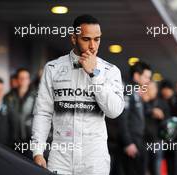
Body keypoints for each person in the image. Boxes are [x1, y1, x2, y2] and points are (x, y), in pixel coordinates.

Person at [31, 14, 124, 175]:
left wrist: (95, 74)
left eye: (97, 39)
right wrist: (37, 151)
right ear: (74, 38)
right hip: (60, 157)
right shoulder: (52, 68)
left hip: (94, 158)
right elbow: (43, 112)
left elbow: (114, 111)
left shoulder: (110, 71)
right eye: (87, 39)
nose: (93, 46)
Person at [118, 61, 152, 175]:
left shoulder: (137, 92)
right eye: (146, 77)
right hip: (131, 141)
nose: (148, 81)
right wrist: (128, 142)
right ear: (137, 76)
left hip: (139, 140)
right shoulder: (128, 91)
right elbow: (122, 118)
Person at [5, 68, 35, 157]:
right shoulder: (8, 97)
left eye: (26, 78)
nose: (23, 81)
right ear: (17, 80)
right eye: (21, 78)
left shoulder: (36, 96)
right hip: (12, 141)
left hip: (30, 141)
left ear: (29, 80)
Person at [143, 81, 170, 175]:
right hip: (143, 140)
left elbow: (167, 124)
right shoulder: (142, 102)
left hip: (157, 141)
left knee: (156, 169)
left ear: (156, 90)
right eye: (147, 88)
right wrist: (151, 111)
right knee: (142, 168)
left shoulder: (162, 103)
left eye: (152, 88)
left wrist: (161, 117)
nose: (149, 91)